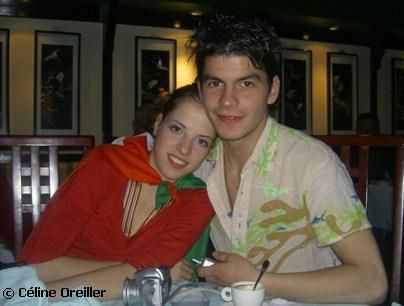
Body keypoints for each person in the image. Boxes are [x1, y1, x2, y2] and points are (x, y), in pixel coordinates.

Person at [188, 13, 388, 304]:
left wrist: (258, 281)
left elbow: (373, 282)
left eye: (246, 84)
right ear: (200, 91)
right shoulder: (200, 161)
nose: (227, 100)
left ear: (273, 90)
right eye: (215, 84)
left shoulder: (312, 164)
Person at [17, 84, 216, 301]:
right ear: (158, 124)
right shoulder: (103, 166)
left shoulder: (197, 200)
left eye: (201, 141)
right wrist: (146, 273)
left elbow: (144, 275)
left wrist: (36, 295)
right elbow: (36, 264)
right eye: (177, 129)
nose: (184, 149)